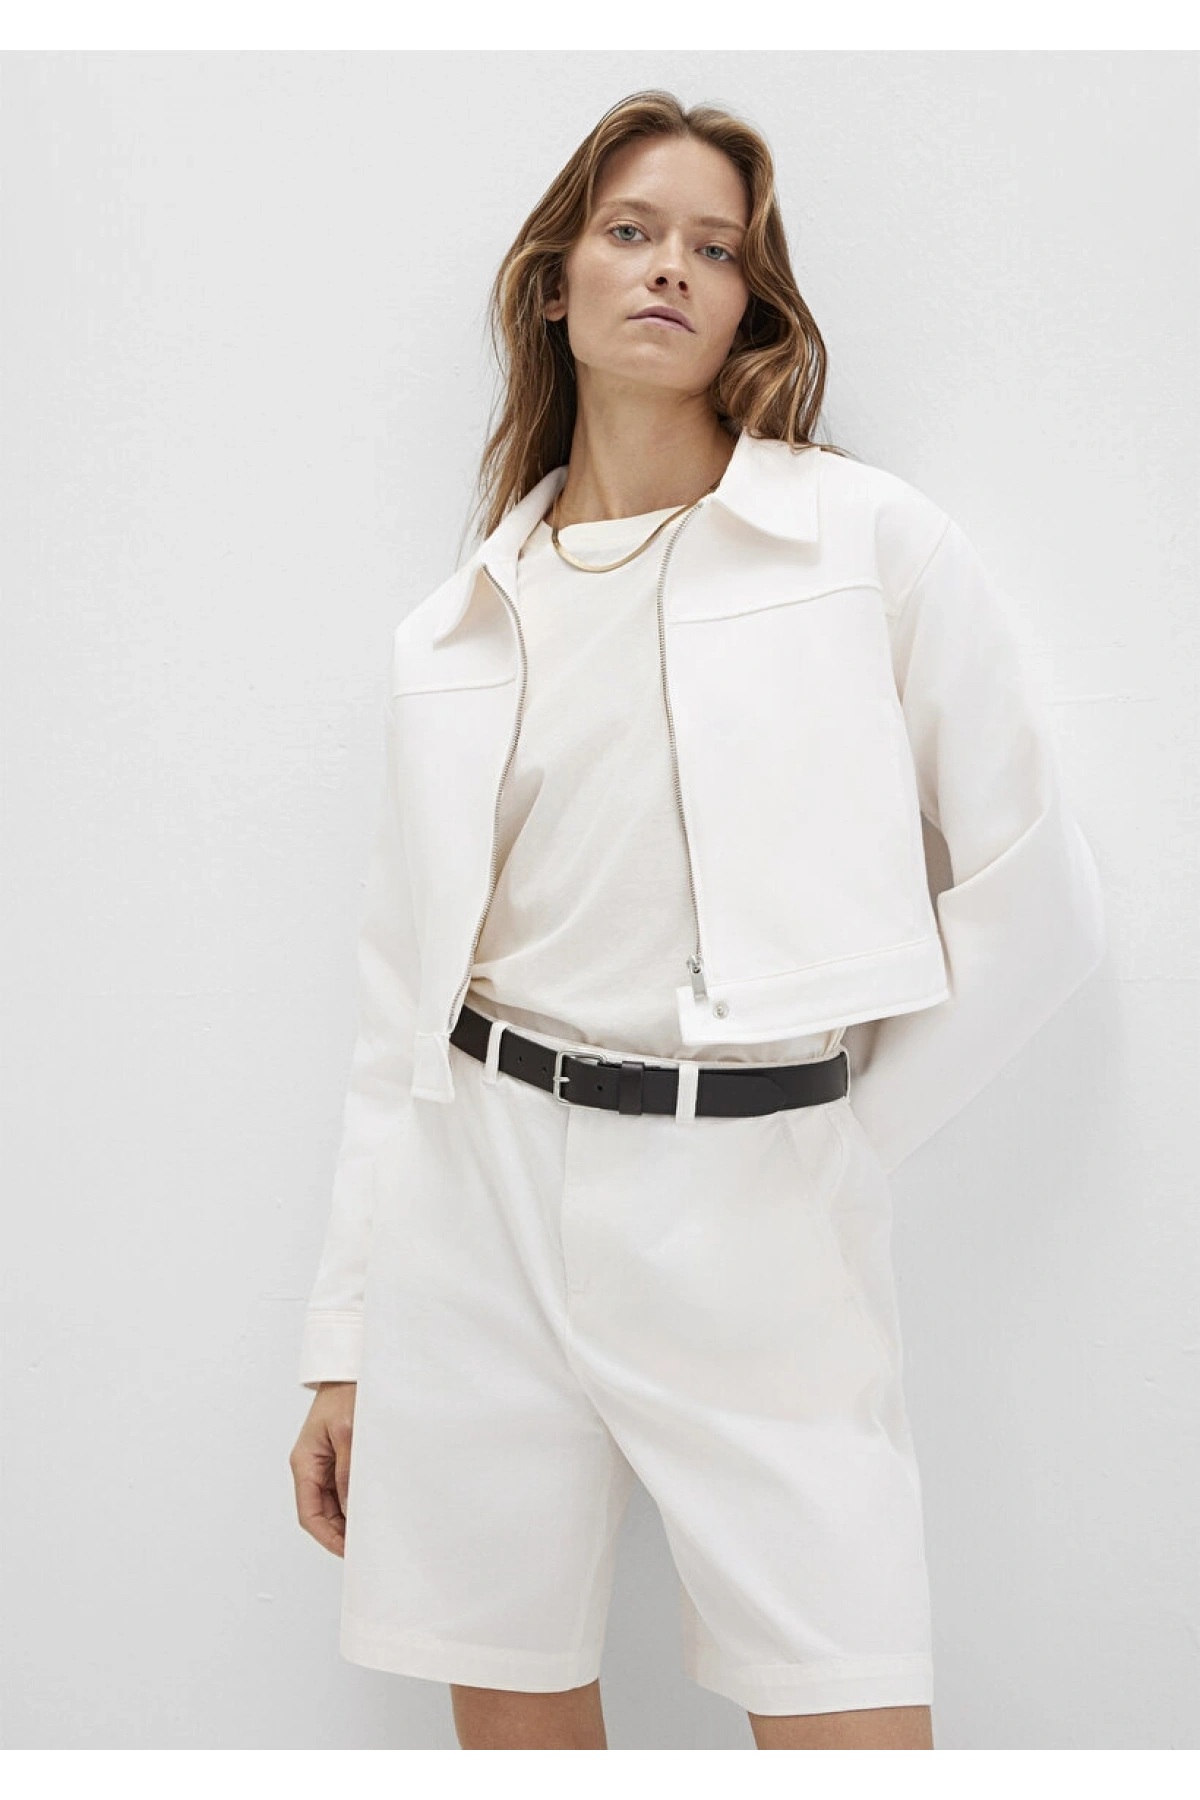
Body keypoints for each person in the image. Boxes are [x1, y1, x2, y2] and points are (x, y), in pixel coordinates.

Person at [288, 90, 1106, 1752]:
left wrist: (836, 1137)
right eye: (632, 230)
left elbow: (1042, 899)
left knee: (847, 1712)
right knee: (512, 1710)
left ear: (750, 303)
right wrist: (346, 1340)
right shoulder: (458, 625)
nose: (671, 266)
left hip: (756, 1210)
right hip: (478, 1202)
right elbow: (400, 1015)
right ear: (556, 282)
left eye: (716, 248)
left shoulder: (860, 541)